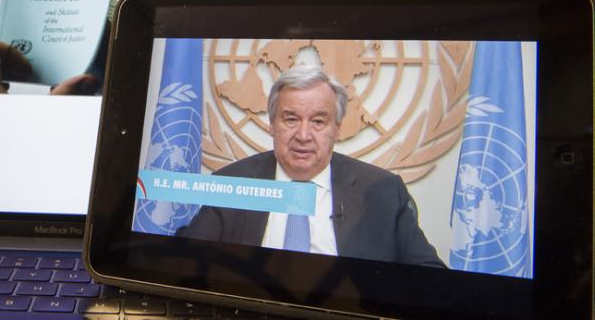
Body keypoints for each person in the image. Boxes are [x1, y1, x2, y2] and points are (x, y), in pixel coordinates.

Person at [176, 65, 445, 268]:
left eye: (318, 122)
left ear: (337, 128)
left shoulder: (384, 192)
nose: (303, 136)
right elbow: (183, 263)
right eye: (290, 119)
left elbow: (430, 278)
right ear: (272, 124)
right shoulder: (231, 183)